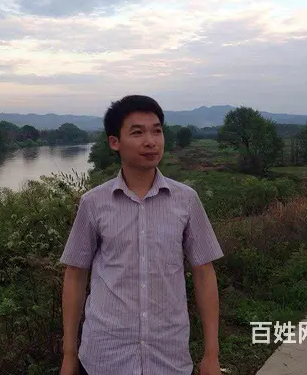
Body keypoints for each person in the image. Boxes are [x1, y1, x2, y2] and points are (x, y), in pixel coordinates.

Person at [59, 95, 224, 375]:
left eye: (157, 131)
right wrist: (69, 354)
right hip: (104, 358)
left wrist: (211, 354)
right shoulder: (94, 203)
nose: (151, 141)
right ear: (115, 142)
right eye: (137, 132)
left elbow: (204, 273)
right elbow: (75, 275)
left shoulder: (186, 200)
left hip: (168, 358)